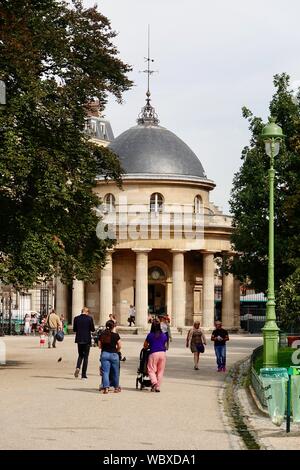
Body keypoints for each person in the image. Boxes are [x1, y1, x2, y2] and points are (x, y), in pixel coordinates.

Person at [143, 320, 167, 392]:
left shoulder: (150, 335)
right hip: (162, 353)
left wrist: (147, 347)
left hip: (153, 353)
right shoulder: (163, 335)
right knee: (160, 371)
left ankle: (154, 382)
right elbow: (165, 345)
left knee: (151, 369)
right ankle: (158, 387)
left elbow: (145, 345)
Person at [98, 320, 122, 394]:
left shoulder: (102, 335)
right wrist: (117, 350)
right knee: (115, 372)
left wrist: (104, 348)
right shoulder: (116, 335)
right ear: (113, 327)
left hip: (105, 354)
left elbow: (99, 346)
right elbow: (120, 345)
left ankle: (106, 388)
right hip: (114, 354)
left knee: (105, 372)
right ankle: (116, 388)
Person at [73, 307, 95, 379]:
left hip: (79, 339)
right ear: (87, 312)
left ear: (81, 311)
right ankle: (83, 375)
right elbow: (92, 329)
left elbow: (74, 329)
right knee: (86, 357)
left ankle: (78, 367)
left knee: (80, 355)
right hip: (87, 339)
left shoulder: (76, 318)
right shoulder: (89, 318)